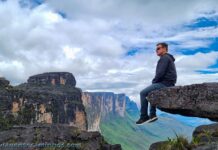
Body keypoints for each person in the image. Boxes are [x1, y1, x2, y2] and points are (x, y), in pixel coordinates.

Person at [136, 42, 177, 124]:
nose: (156, 50)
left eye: (158, 48)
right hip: (168, 83)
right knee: (152, 92)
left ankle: (144, 117)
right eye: (156, 49)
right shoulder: (168, 58)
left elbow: (160, 74)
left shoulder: (164, 58)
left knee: (143, 93)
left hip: (165, 84)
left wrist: (154, 82)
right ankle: (152, 115)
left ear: (165, 49)